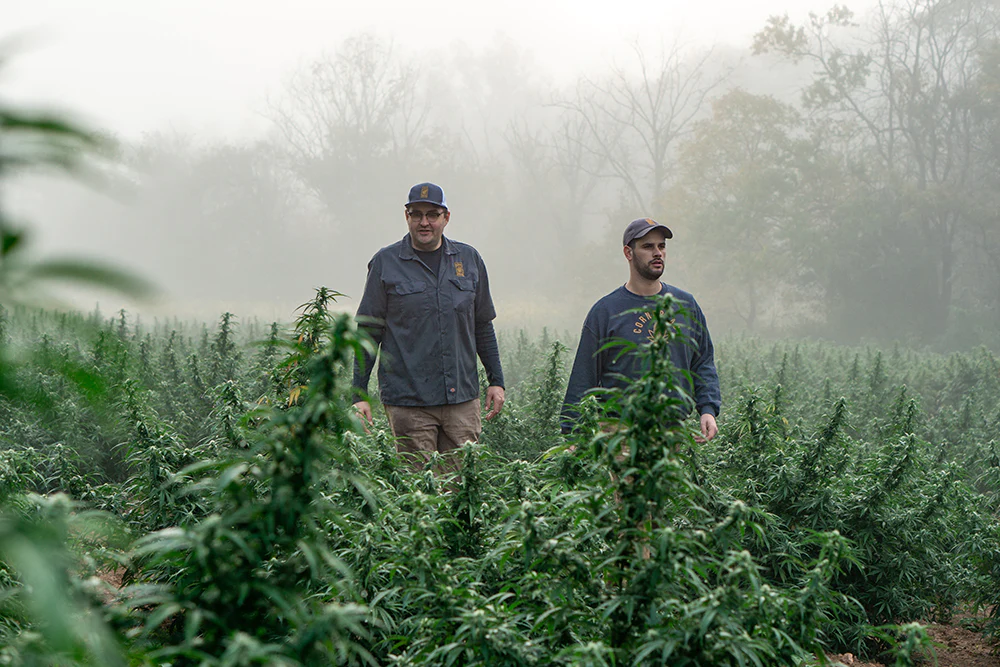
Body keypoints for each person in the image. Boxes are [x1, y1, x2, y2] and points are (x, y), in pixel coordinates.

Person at [352, 182, 505, 471]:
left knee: (461, 491)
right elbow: (369, 332)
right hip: (409, 402)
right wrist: (359, 394)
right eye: (416, 214)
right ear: (406, 216)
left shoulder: (469, 260)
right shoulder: (386, 262)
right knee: (418, 494)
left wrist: (496, 380)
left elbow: (482, 324)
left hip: (461, 399)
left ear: (446, 217)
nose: (425, 222)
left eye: (432, 214)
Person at [561, 217, 720, 441]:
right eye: (648, 247)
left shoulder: (685, 305)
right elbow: (584, 376)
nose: (658, 253)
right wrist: (572, 435)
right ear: (628, 252)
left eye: (661, 246)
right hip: (619, 436)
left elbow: (702, 361)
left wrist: (708, 409)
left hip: (674, 433)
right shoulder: (606, 311)